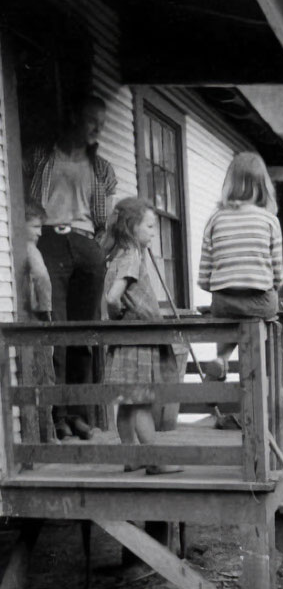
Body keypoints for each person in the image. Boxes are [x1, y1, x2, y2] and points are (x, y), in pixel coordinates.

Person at [26, 94, 117, 440]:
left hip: (86, 242)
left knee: (83, 334)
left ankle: (80, 414)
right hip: (48, 240)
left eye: (103, 124)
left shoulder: (102, 168)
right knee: (58, 332)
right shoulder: (39, 155)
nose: (98, 129)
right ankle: (57, 415)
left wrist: (96, 250)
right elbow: (21, 198)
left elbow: (106, 221)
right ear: (75, 118)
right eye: (93, 121)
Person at [102, 196, 182, 476]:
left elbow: (114, 298)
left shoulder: (118, 256)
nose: (153, 231)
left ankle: (130, 456)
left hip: (125, 342)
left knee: (127, 403)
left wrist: (117, 316)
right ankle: (154, 459)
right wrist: (120, 314)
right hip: (137, 340)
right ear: (131, 226)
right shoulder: (132, 257)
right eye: (149, 226)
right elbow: (113, 297)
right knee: (141, 403)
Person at [197, 152, 283, 381]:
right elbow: (278, 274)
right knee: (268, 313)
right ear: (263, 186)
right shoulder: (269, 220)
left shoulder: (215, 219)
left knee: (227, 322)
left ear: (230, 184)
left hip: (224, 302)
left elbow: (204, 276)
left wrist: (223, 288)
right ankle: (263, 368)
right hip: (260, 302)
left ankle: (221, 359)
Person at [20, 204, 54, 441]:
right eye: (35, 227)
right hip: (35, 318)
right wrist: (46, 311)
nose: (40, 233)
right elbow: (41, 276)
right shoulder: (29, 248)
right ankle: (47, 436)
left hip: (22, 319)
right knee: (45, 376)